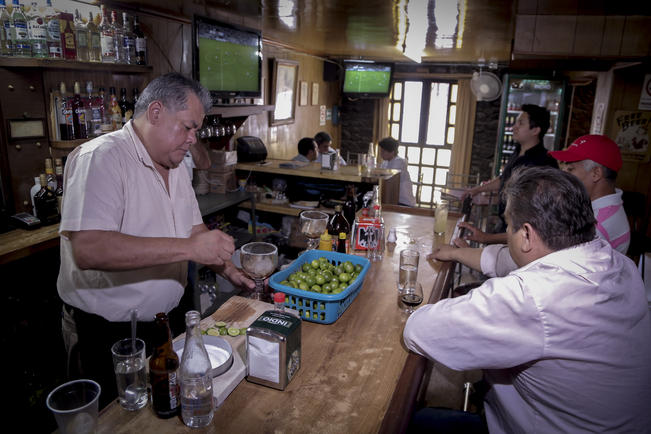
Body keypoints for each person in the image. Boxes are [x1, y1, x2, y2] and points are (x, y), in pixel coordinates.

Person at [57, 72, 255, 408]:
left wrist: (226, 269)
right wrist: (191, 249)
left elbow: (192, 230)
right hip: (109, 335)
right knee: (117, 424)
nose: (193, 139)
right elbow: (89, 249)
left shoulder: (174, 161)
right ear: (156, 112)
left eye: (197, 130)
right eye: (188, 127)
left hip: (167, 322)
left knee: (171, 410)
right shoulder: (101, 158)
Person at [407, 166, 651, 433]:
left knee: (413, 422)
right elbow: (504, 259)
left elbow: (420, 331)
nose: (508, 233)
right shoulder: (615, 262)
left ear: (525, 235)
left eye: (509, 226)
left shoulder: (534, 297)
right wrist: (455, 254)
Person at [461, 104, 558, 244]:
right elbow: (504, 179)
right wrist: (477, 190)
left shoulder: (544, 162)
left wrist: (487, 238)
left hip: (523, 234)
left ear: (535, 130)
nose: (514, 127)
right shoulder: (518, 150)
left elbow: (537, 218)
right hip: (505, 223)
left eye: (520, 123)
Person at [549, 134, 630, 254]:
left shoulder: (597, 226)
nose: (563, 174)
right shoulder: (596, 207)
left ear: (596, 173)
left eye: (570, 169)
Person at [378, 137, 417, 207]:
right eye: (381, 151)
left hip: (404, 202)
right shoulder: (385, 162)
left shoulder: (399, 162)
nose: (381, 153)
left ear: (392, 152)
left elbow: (387, 177)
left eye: (383, 151)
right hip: (392, 199)